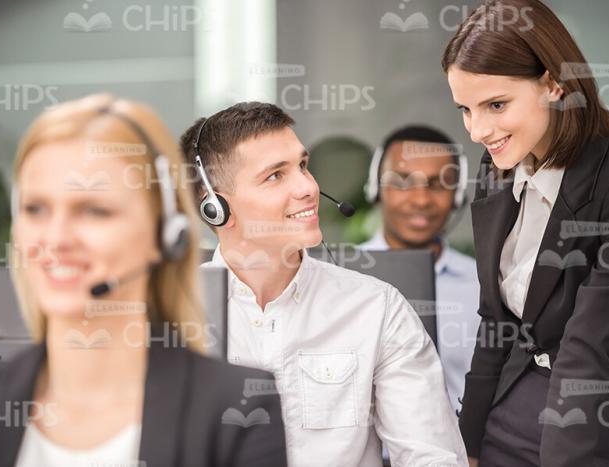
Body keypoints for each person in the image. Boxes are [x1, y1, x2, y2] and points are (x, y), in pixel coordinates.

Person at [0, 94, 287, 467]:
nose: (55, 239)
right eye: (35, 209)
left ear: (165, 234)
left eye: (94, 210)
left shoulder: (238, 410)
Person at [442, 1, 609, 466]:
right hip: (516, 405)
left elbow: (589, 343)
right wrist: (466, 447)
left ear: (553, 84)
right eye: (465, 109)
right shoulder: (498, 168)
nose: (478, 130)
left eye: (496, 105)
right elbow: (496, 321)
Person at [180, 102, 468, 467]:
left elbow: (432, 457)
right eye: (275, 175)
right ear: (216, 208)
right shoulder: (167, 318)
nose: (308, 187)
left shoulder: (377, 309)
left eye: (302, 166)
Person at [359, 125, 480, 415]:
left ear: (459, 194)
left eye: (438, 184)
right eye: (402, 182)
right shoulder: (339, 278)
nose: (421, 200)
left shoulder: (485, 284)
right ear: (377, 188)